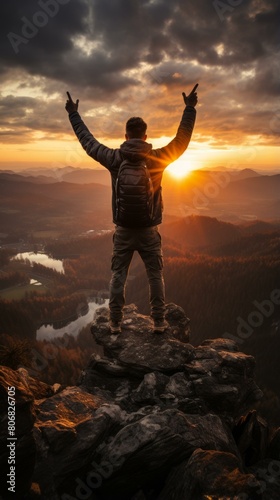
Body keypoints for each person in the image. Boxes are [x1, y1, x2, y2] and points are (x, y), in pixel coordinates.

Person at [65, 85, 198, 333]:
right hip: (149, 229)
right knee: (155, 275)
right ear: (145, 137)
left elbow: (88, 142)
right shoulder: (157, 158)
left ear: (126, 136)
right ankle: (159, 322)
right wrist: (189, 108)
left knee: (118, 276)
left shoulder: (115, 159)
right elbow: (182, 141)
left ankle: (115, 323)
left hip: (123, 229)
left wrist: (73, 113)